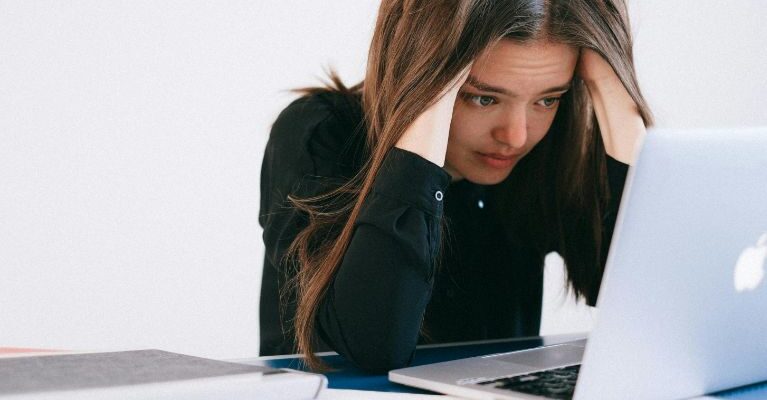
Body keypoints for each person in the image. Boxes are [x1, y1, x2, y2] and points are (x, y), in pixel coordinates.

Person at [259, 0, 653, 372]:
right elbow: (374, 345)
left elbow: (654, 309)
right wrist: (423, 110)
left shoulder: (545, 152)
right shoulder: (319, 134)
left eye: (547, 100)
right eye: (482, 98)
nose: (516, 136)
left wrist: (616, 92)